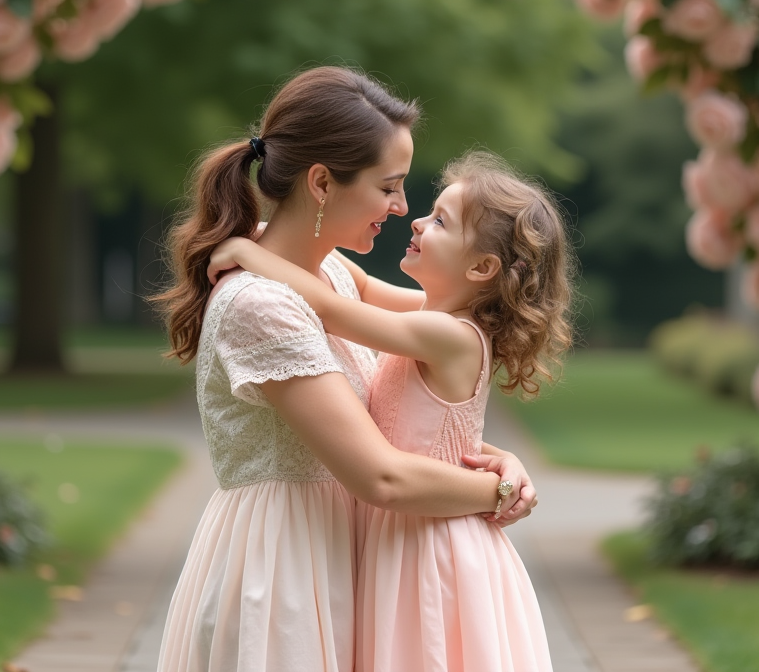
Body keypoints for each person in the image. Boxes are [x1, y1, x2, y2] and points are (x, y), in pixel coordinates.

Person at [150, 68, 537, 671]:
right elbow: (380, 475)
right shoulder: (261, 303)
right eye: (390, 186)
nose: (404, 208)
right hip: (286, 572)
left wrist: (492, 455)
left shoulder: (328, 272)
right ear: (323, 183)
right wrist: (499, 491)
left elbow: (427, 380)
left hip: (350, 559)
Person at [208, 150, 573, 671]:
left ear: (481, 267)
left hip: (431, 543)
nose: (418, 219)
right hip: (408, 531)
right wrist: (272, 231)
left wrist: (249, 252)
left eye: (440, 220)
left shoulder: (447, 333)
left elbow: (335, 309)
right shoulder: (434, 315)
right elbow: (351, 284)